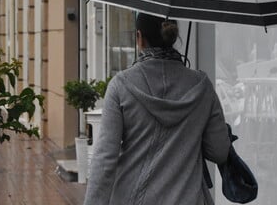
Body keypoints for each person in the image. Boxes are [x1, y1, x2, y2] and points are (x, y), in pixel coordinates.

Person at [83, 13, 231, 205]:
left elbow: (104, 160)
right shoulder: (201, 86)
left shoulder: (121, 86)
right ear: (172, 37)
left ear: (139, 37)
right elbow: (219, 151)